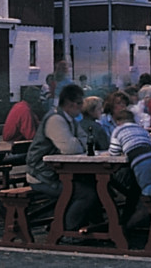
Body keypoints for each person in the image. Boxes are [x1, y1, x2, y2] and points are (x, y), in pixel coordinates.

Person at [25, 83, 98, 231]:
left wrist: (79, 143)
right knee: (86, 194)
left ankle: (87, 225)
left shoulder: (69, 119)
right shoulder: (55, 120)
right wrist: (79, 143)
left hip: (55, 173)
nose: (81, 106)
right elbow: (70, 149)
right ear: (70, 103)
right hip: (42, 175)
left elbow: (88, 142)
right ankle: (67, 230)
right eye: (79, 103)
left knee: (96, 184)